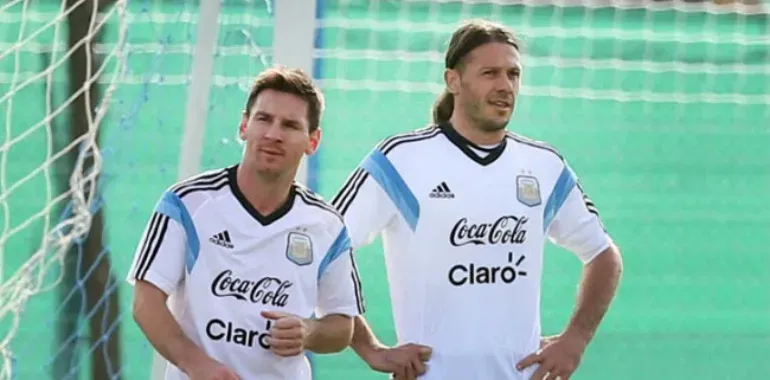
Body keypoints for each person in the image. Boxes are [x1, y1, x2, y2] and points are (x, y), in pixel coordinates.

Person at [331, 19, 623, 380]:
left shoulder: (544, 166)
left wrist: (575, 339)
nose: (505, 86)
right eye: (490, 73)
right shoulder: (401, 160)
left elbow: (603, 255)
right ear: (453, 81)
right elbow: (325, 247)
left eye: (513, 74)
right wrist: (370, 347)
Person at [127, 67, 365, 380]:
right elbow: (146, 302)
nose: (273, 134)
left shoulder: (327, 225)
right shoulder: (187, 203)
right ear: (244, 125)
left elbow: (341, 326)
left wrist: (309, 332)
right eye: (264, 119)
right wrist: (197, 365)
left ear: (313, 141)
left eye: (290, 125)